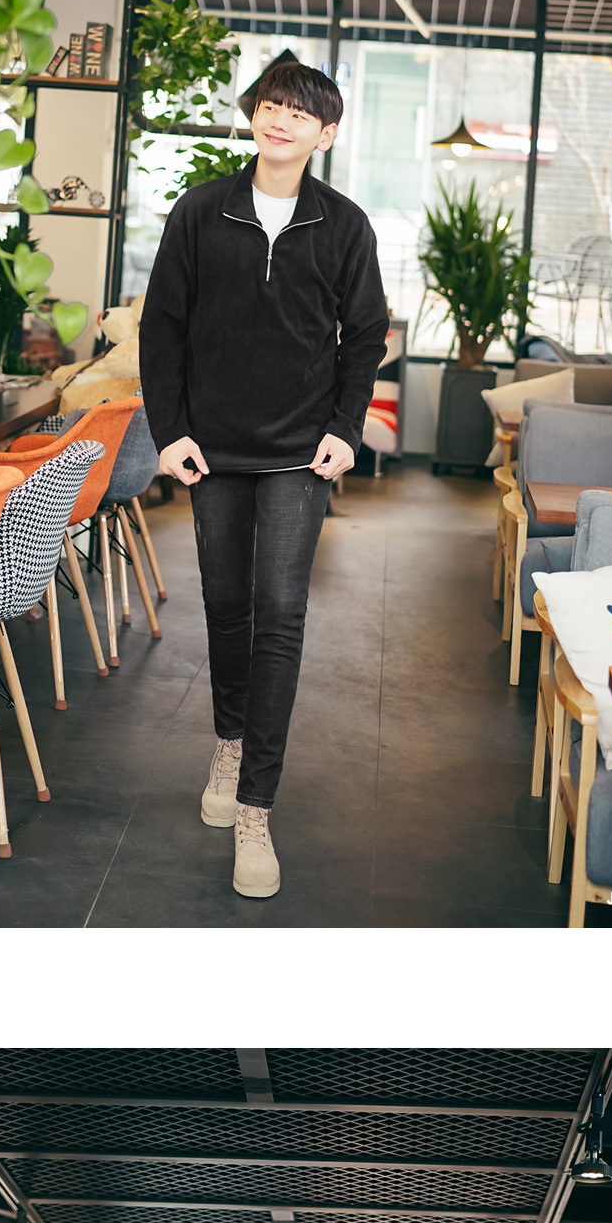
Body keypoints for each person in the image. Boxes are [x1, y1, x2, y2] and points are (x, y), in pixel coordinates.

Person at [138, 48, 389, 898]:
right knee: (226, 605)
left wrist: (345, 430)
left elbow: (365, 335)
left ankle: (255, 806)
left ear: (325, 133)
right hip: (212, 448)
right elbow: (163, 326)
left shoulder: (345, 225)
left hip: (299, 453)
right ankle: (230, 739)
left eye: (299, 111)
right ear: (254, 115)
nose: (280, 119)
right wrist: (170, 432)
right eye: (270, 105)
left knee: (280, 611)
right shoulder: (200, 210)